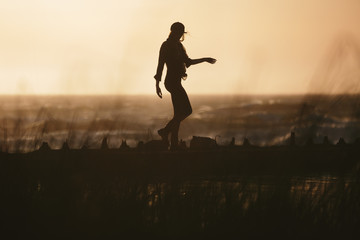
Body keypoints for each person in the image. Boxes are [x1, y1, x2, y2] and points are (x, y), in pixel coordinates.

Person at [154, 22, 216, 150]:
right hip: (171, 82)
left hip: (177, 81)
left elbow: (189, 62)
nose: (180, 35)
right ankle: (166, 132)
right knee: (187, 110)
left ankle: (173, 143)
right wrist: (157, 84)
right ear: (172, 31)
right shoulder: (166, 45)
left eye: (181, 33)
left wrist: (205, 59)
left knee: (178, 114)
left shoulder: (180, 46)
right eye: (178, 32)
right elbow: (160, 64)